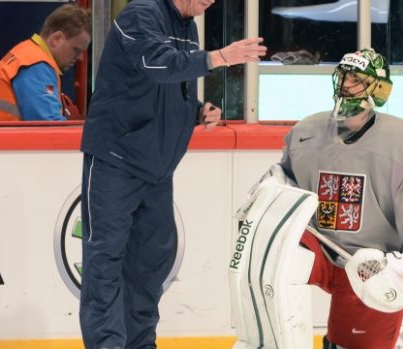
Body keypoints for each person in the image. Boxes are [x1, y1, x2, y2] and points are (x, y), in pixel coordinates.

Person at [230, 48, 403, 349]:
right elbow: (287, 181)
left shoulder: (402, 142)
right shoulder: (307, 131)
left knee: (351, 345)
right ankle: (271, 342)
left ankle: (400, 341)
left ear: (380, 89)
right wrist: (266, 202)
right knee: (275, 252)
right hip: (320, 249)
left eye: (357, 78)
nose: (347, 84)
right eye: (344, 75)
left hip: (368, 265)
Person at [78, 0, 267, 348]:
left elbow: (166, 88)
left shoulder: (186, 25)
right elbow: (155, 63)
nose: (209, 1)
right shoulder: (141, 13)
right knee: (105, 262)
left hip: (158, 169)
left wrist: (196, 111)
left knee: (148, 268)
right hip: (116, 160)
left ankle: (140, 343)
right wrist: (219, 57)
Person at [0, 4, 91, 121]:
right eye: (76, 49)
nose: (80, 57)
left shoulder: (27, 54)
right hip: (6, 139)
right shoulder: (36, 66)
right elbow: (49, 127)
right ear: (57, 39)